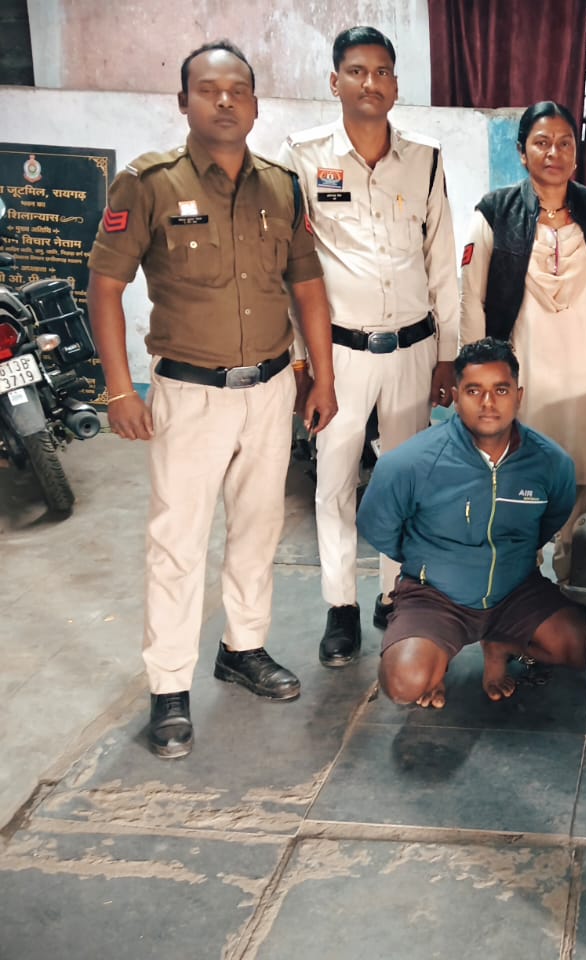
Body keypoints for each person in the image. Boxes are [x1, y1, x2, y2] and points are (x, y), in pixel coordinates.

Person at [86, 41, 338, 758]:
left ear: (255, 105)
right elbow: (105, 288)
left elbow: (307, 287)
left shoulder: (282, 187)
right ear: (184, 102)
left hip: (270, 388)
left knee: (259, 528)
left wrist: (321, 376)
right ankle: (169, 687)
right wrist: (118, 389)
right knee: (178, 542)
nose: (224, 100)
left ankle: (243, 648)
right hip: (188, 394)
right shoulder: (148, 184)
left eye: (238, 90)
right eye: (208, 89)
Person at [278, 26, 461, 668]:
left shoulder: (425, 159)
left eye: (382, 72)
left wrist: (447, 353)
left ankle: (392, 594)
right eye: (357, 71)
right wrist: (302, 364)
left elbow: (442, 262)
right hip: (340, 355)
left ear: (395, 84)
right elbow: (292, 269)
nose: (370, 83)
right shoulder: (303, 156)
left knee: (405, 478)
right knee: (334, 480)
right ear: (336, 82)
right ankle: (340, 607)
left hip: (413, 349)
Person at [356, 337, 586, 707]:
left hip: (516, 592)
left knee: (582, 648)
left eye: (501, 390)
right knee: (403, 684)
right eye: (474, 390)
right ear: (455, 396)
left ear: (519, 396)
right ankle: (436, 657)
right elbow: (377, 527)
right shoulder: (410, 463)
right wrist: (432, 560)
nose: (488, 403)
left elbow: (549, 521)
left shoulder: (551, 463)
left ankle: (500, 645)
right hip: (435, 597)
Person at [460, 101, 586, 580]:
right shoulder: (494, 213)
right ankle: (520, 588)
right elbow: (471, 298)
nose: (553, 152)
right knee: (519, 480)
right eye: (541, 142)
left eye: (564, 143)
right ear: (522, 152)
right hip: (525, 376)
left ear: (576, 154)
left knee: (585, 483)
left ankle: (577, 588)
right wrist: (474, 379)